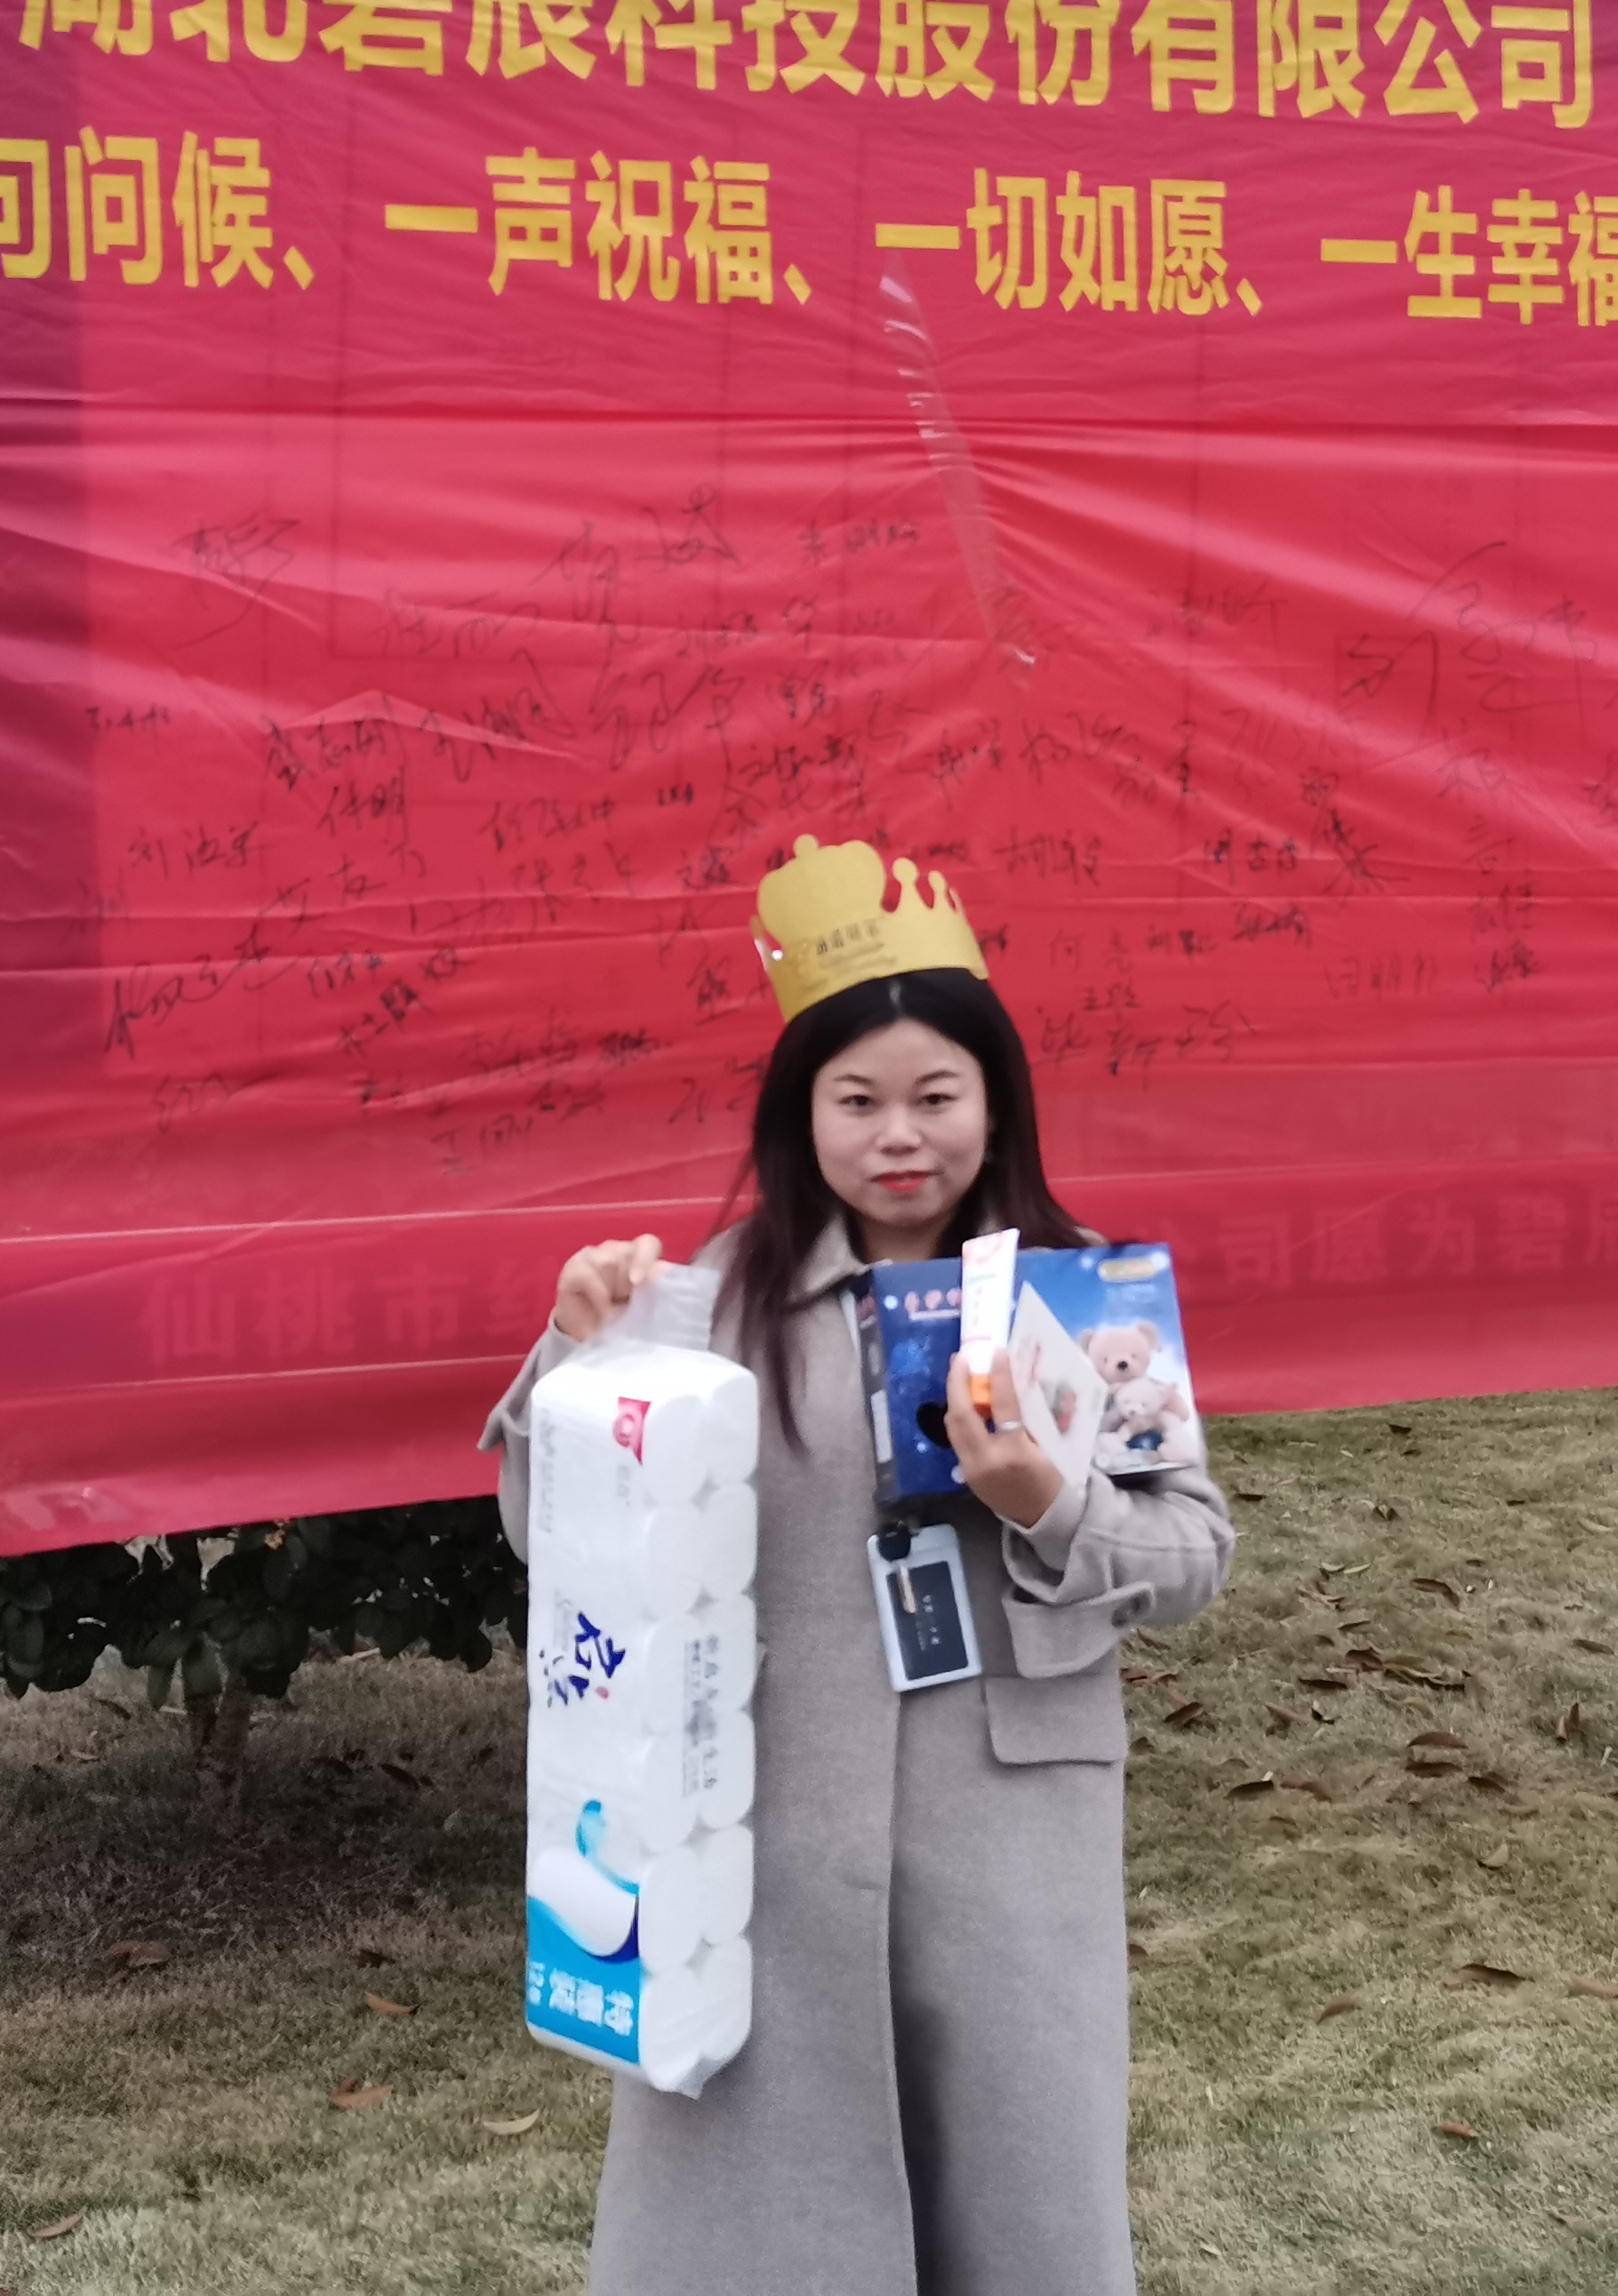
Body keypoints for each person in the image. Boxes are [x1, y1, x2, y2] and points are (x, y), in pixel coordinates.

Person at [482, 834, 1238, 2296]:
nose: (903, 1135)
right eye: (859, 1100)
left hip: (1011, 1829)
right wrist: (578, 1356)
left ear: (995, 1103)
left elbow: (1193, 1555)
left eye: (937, 1096)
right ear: (802, 1113)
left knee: (1016, 2188)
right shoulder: (709, 1303)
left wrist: (1050, 1502)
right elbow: (560, 1538)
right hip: (762, 1820)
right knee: (769, 2208)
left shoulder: (1088, 1303)